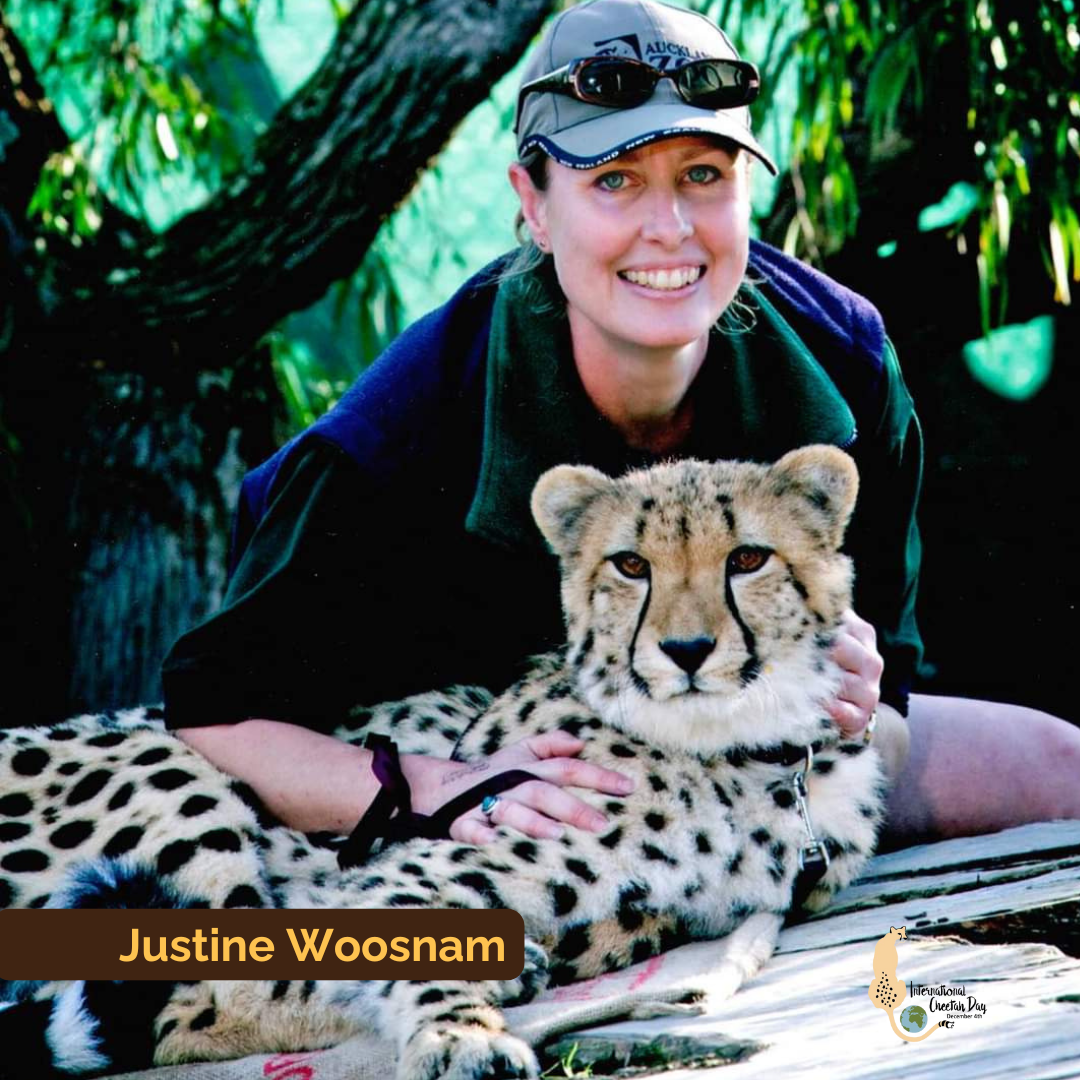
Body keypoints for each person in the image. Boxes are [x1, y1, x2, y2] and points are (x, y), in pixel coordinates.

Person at [164, 0, 1080, 853]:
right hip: (477, 803)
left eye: (703, 175)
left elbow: (891, 714)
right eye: (614, 181)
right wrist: (441, 788)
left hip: (744, 766)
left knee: (1062, 768)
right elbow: (213, 719)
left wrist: (856, 693)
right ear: (532, 202)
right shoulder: (396, 437)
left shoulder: (846, 362)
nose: (670, 228)